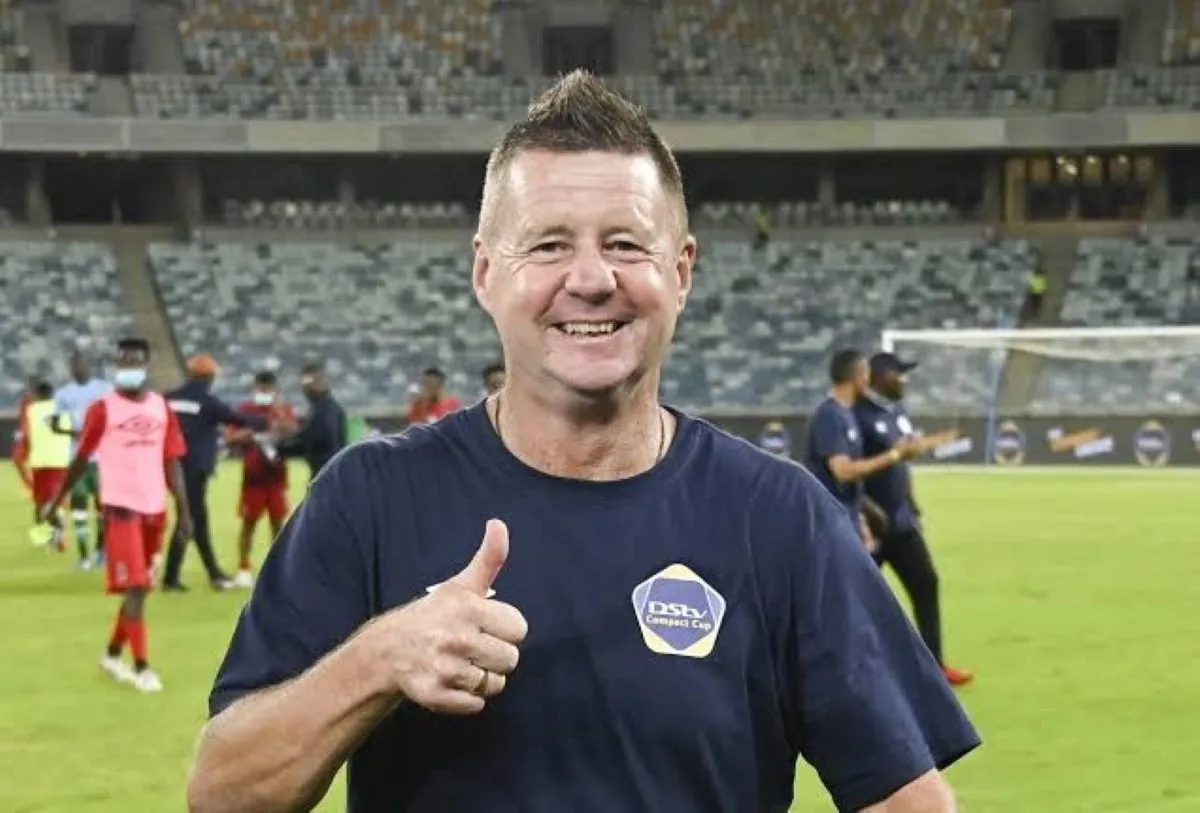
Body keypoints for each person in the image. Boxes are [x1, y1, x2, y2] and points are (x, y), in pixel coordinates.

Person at [189, 71, 978, 813]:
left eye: (627, 243)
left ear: (682, 272)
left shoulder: (779, 517)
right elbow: (222, 790)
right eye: (549, 244)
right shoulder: (370, 498)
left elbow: (908, 800)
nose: (592, 278)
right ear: (485, 273)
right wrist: (380, 658)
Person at [42, 338, 192, 693]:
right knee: (136, 586)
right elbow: (82, 457)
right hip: (121, 509)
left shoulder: (160, 407)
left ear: (146, 365)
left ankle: (111, 655)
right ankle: (141, 667)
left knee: (142, 589)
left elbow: (172, 461)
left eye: (135, 362)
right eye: (123, 362)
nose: (128, 368)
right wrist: (56, 501)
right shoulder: (103, 409)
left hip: (155, 510)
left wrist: (185, 512)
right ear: (115, 366)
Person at [856, 352, 975, 687]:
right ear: (879, 376)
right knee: (855, 597)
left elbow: (902, 466)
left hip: (902, 521)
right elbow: (849, 472)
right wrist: (863, 511)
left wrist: (913, 506)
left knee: (926, 583)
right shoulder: (856, 415)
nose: (904, 380)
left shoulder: (896, 413)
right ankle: (850, 671)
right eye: (899, 374)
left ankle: (934, 666)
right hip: (871, 526)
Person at [162, 354, 269, 592]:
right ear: (209, 377)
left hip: (170, 466)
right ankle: (179, 577)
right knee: (191, 519)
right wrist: (265, 420)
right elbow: (237, 419)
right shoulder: (208, 402)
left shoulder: (168, 398)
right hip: (194, 469)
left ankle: (203, 573)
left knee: (193, 519)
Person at [803, 348, 922, 551]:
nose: (869, 380)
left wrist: (861, 517)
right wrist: (894, 455)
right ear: (857, 377)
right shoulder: (830, 416)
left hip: (846, 519)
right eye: (866, 374)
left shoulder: (846, 414)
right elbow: (843, 471)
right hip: (830, 525)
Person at [225, 370, 297, 588]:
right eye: (261, 387)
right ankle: (244, 569)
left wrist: (279, 417)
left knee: (278, 524)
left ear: (275, 389)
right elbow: (230, 438)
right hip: (253, 476)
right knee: (249, 523)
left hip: (277, 476)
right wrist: (247, 436)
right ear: (255, 388)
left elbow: (294, 431)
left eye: (268, 388)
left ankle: (278, 569)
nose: (264, 391)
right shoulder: (245, 410)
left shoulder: (283, 409)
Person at [52, 350, 113, 568]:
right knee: (78, 508)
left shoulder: (105, 389)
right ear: (70, 369)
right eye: (74, 365)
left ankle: (101, 551)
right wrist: (73, 433)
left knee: (103, 506)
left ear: (89, 365)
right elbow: (55, 425)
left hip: (101, 458)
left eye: (81, 364)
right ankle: (84, 555)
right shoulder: (63, 394)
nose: (78, 368)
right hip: (77, 458)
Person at [276, 360, 347, 478]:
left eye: (308, 382)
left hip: (326, 474)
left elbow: (314, 439)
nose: (304, 387)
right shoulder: (325, 407)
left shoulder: (325, 409)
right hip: (328, 473)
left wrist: (282, 446)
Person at [22, 379, 70, 549]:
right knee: (57, 499)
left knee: (42, 502)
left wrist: (25, 453)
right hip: (62, 460)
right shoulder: (63, 409)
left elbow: (27, 435)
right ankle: (52, 536)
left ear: (39, 394)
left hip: (41, 461)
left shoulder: (32, 410)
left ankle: (54, 534)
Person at [11, 374, 38, 498]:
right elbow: (22, 417)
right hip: (25, 435)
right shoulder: (25, 400)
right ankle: (33, 487)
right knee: (17, 460)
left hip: (39, 435)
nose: (30, 387)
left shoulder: (44, 400)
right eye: (30, 384)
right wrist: (20, 432)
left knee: (41, 465)